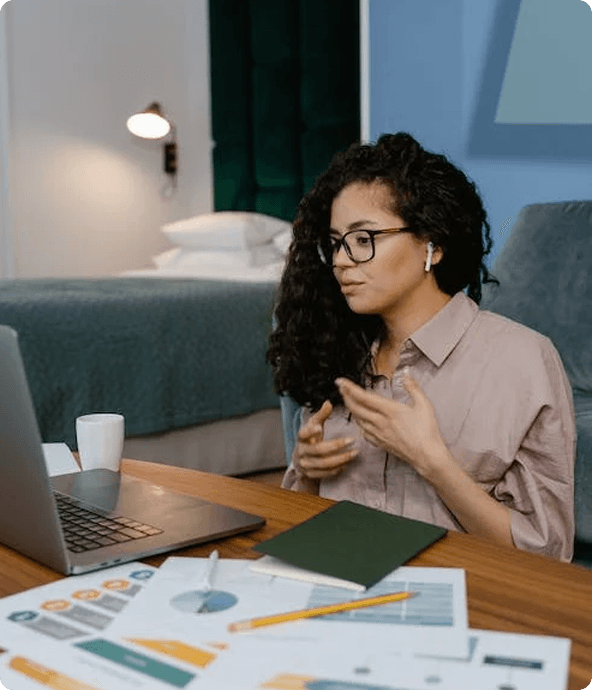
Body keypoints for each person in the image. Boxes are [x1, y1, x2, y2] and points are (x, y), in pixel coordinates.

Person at [266, 132, 575, 561]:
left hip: (466, 602)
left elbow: (547, 556)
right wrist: (309, 472)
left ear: (432, 244)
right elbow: (303, 530)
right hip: (336, 587)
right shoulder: (334, 352)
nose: (340, 260)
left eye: (362, 239)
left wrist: (432, 461)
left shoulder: (522, 361)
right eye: (336, 243)